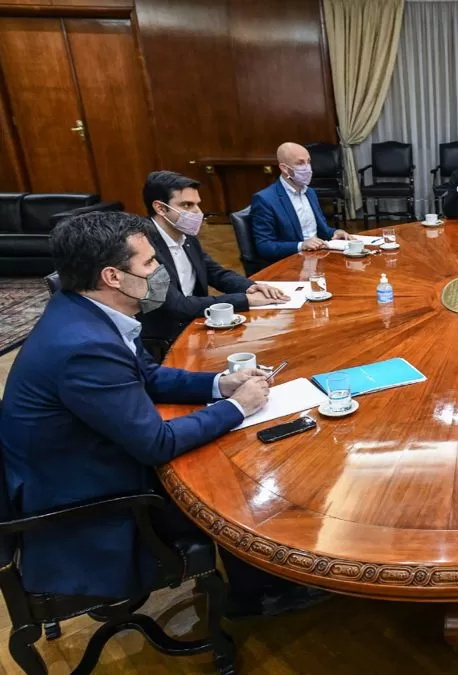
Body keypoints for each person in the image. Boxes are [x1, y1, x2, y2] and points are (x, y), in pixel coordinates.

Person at [0, 211, 324, 616]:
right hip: (89, 503)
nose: (159, 271)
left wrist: (220, 384)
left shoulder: (86, 311)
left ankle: (258, 581)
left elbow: (147, 375)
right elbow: (157, 443)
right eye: (150, 262)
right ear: (112, 277)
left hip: (84, 458)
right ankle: (259, 593)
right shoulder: (84, 348)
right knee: (233, 482)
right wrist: (238, 406)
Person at [140, 171, 288, 354]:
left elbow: (214, 272)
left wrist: (250, 286)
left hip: (198, 323)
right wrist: (245, 300)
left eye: (197, 205)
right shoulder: (143, 248)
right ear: (160, 208)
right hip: (166, 340)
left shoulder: (185, 235)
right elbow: (177, 306)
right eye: (187, 205)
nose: (197, 213)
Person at [251, 142, 351, 261]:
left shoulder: (310, 193)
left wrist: (335, 232)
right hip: (291, 262)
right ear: (284, 168)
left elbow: (320, 230)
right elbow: (264, 246)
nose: (307, 168)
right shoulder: (265, 199)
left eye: (308, 161)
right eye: (300, 163)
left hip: (319, 256)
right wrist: (301, 245)